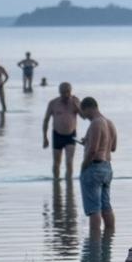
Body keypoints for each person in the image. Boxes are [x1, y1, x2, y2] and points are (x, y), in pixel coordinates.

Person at [78, 96, 118, 238]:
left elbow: (93, 151)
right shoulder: (109, 123)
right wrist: (87, 141)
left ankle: (94, 245)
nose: (84, 116)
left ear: (88, 108)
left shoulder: (95, 123)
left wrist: (83, 167)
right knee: (106, 207)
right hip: (107, 167)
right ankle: (108, 240)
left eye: (83, 112)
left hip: (94, 168)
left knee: (94, 210)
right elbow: (113, 147)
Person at [43, 82, 82, 181]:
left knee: (69, 162)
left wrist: (77, 106)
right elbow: (46, 120)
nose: (65, 95)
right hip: (57, 135)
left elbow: (84, 116)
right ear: (59, 92)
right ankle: (56, 182)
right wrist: (45, 137)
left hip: (71, 135)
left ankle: (69, 183)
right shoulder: (53, 103)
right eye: (63, 92)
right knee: (56, 163)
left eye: (67, 92)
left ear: (70, 91)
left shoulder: (75, 101)